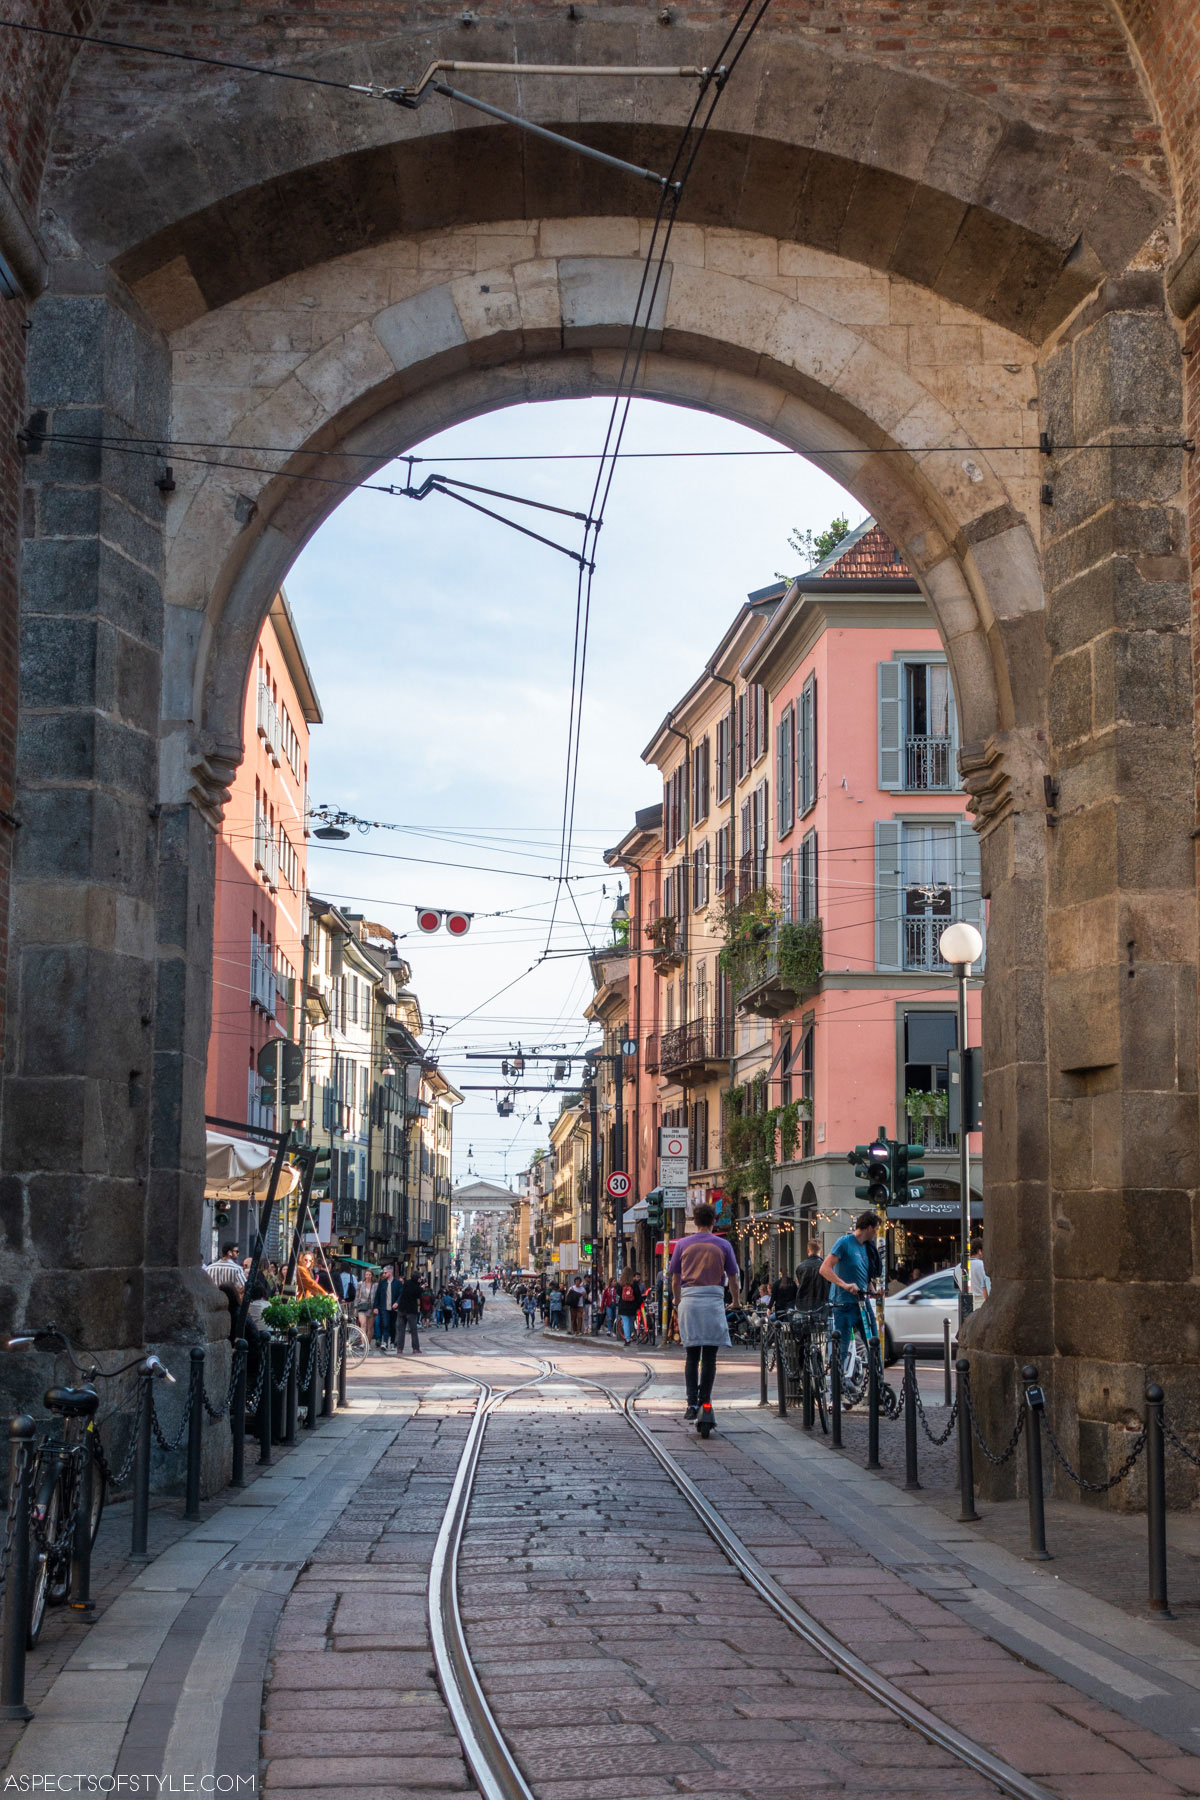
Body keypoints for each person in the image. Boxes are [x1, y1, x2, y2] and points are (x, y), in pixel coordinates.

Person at [668, 1203, 741, 1426]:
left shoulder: (682, 1245)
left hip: (689, 1301)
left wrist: (678, 1301)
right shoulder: (724, 1245)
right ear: (713, 1221)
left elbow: (674, 1280)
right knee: (709, 1356)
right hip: (713, 1300)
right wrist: (736, 1302)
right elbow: (733, 1279)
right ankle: (705, 1399)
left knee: (691, 1356)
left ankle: (691, 1404)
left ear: (694, 1221)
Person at [820, 1213, 880, 1355]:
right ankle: (839, 1376)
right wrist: (844, 1285)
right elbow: (824, 1269)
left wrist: (871, 1289)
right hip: (844, 1304)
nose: (877, 1232)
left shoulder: (867, 1247)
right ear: (869, 1228)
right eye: (876, 1228)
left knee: (874, 1343)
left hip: (862, 1303)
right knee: (842, 1348)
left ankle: (877, 1377)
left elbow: (863, 1273)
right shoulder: (844, 1242)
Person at [793, 1239, 829, 1314]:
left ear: (808, 1250)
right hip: (821, 1305)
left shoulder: (800, 1266)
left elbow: (800, 1282)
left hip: (803, 1305)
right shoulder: (825, 1267)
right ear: (821, 1251)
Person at [372, 1263, 401, 1353]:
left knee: (393, 1325)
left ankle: (392, 1342)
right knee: (385, 1324)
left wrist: (397, 1302)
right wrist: (375, 1307)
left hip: (393, 1308)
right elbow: (378, 1295)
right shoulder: (382, 1283)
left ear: (390, 1272)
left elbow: (401, 1294)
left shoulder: (398, 1283)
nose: (383, 1274)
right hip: (383, 1307)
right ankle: (384, 1342)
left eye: (385, 1273)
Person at [397, 1266, 423, 1353]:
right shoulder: (417, 1287)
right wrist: (421, 1288)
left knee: (401, 1330)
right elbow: (418, 1296)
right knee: (413, 1330)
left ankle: (399, 1348)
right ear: (417, 1278)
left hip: (401, 1309)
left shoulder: (406, 1283)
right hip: (411, 1310)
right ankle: (415, 1348)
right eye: (419, 1278)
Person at [615, 1268, 641, 1345]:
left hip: (623, 1305)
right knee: (631, 1322)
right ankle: (629, 1336)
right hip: (632, 1306)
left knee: (625, 1322)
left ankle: (627, 1339)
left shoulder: (620, 1284)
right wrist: (639, 1304)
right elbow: (637, 1295)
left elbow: (619, 1293)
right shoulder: (634, 1284)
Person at [967, 1239, 991, 1304]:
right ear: (980, 1251)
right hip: (981, 1303)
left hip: (966, 1302)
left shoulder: (958, 1267)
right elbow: (986, 1292)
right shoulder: (984, 1266)